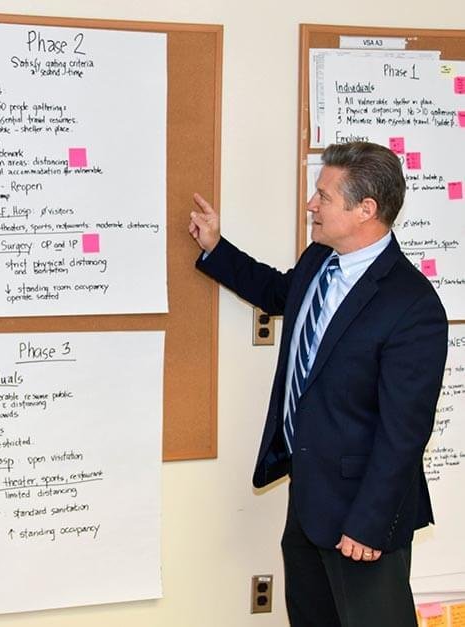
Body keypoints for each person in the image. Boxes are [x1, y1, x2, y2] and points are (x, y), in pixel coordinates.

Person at [189, 142, 447, 627]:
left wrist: (369, 526)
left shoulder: (413, 306)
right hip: (308, 505)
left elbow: (404, 433)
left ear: (365, 209)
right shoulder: (319, 260)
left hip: (362, 520)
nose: (311, 204)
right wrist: (216, 248)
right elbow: (277, 292)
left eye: (323, 196)